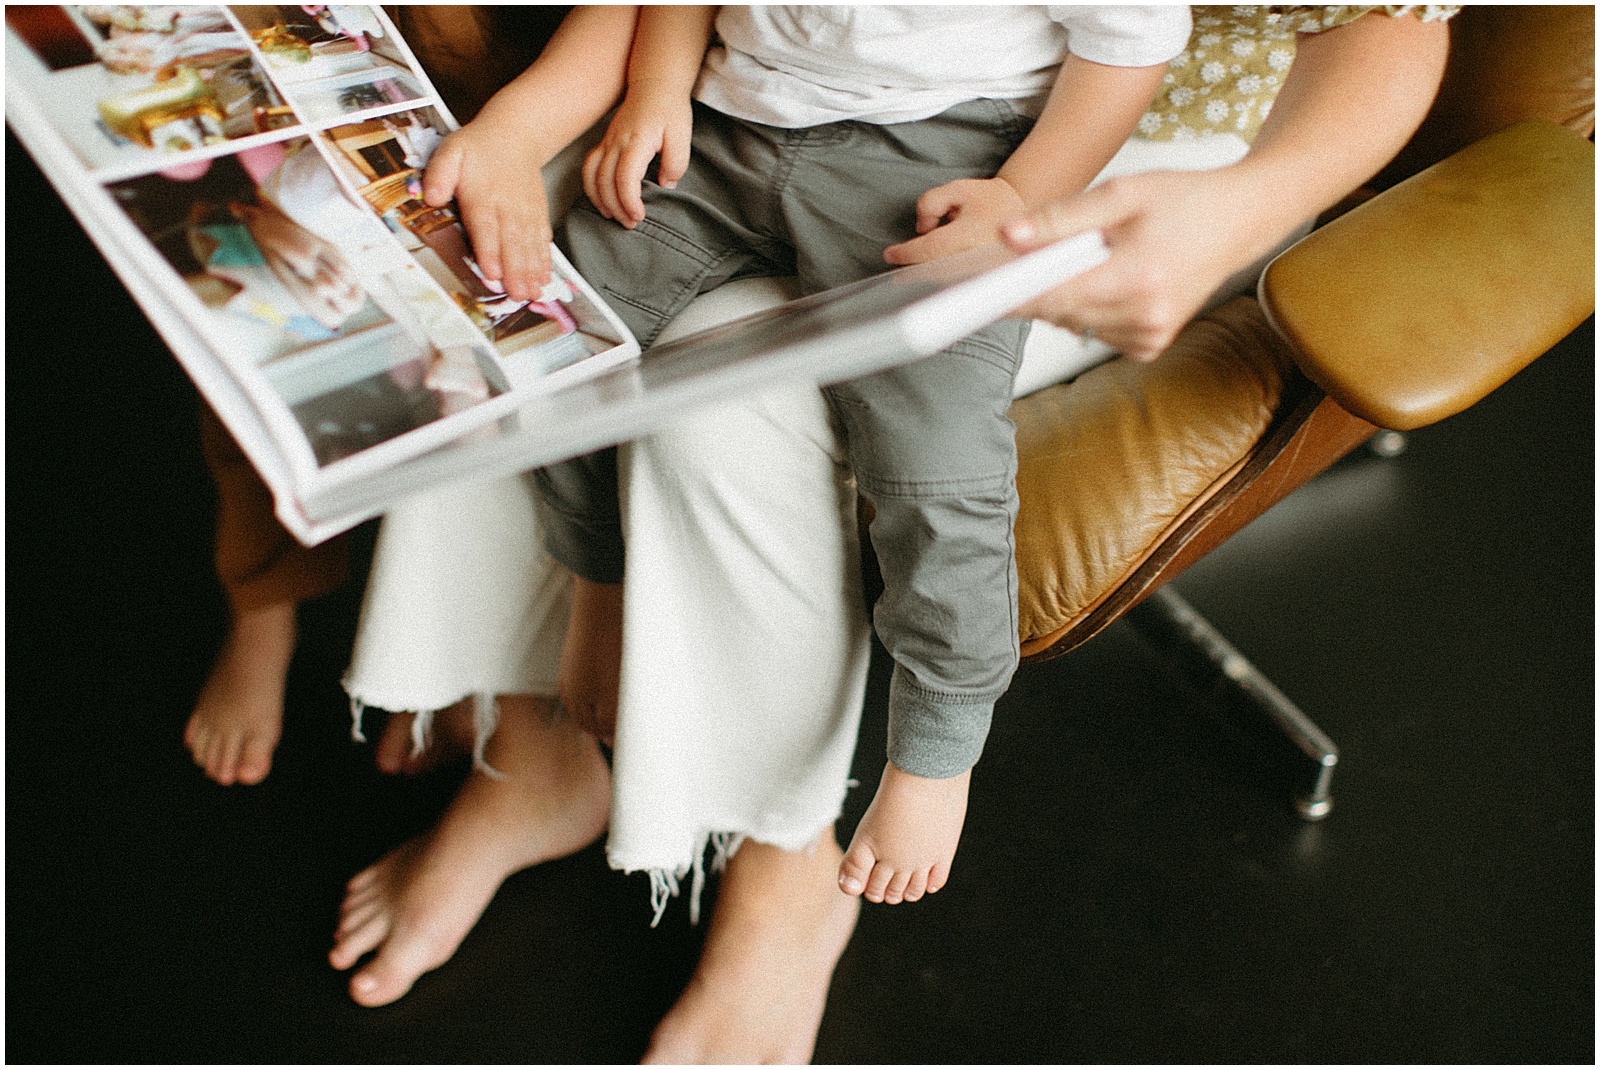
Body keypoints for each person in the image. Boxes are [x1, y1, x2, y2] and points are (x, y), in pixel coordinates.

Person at [337, 5, 1454, 1062]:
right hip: (768, 104)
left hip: (1141, 151)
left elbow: (1391, 26)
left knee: (736, 401)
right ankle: (529, 741)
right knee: (507, 264)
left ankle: (783, 860)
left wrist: (1217, 205)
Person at [538, 3, 1190, 906]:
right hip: (732, 122)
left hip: (946, 147)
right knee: (561, 342)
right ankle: (598, 581)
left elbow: (1127, 43)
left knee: (936, 456)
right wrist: (656, 88)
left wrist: (1025, 191)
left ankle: (936, 749)